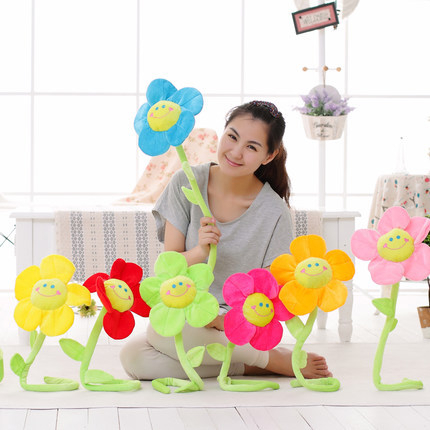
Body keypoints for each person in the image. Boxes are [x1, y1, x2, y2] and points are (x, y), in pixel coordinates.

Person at [120, 101, 332, 380]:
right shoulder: (186, 183)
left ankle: (268, 357)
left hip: (239, 320)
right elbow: (168, 269)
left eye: (251, 147)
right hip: (189, 306)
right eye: (232, 136)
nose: (235, 152)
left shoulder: (274, 211)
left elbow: (270, 289)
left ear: (269, 156)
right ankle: (256, 363)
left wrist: (221, 320)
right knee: (133, 357)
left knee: (171, 334)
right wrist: (199, 251)